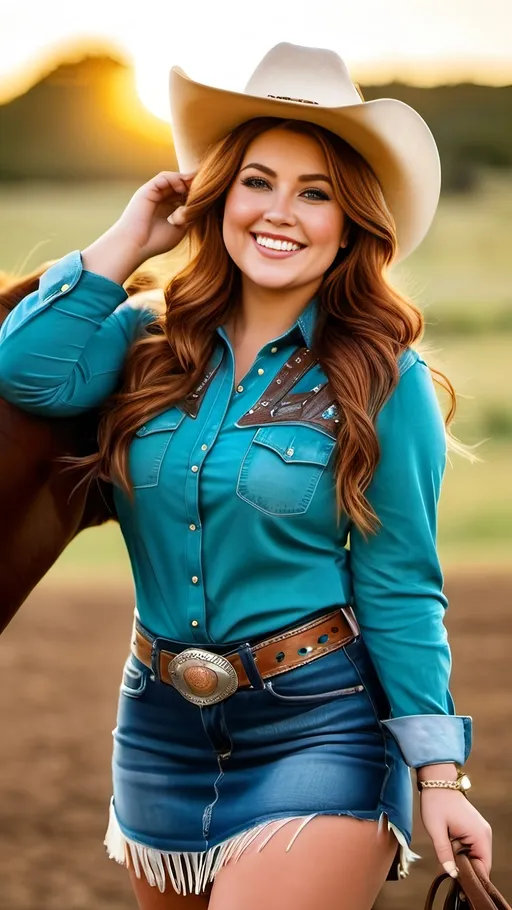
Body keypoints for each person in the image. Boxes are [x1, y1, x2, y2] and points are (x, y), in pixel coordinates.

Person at [0, 42, 492, 910]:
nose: (280, 213)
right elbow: (25, 371)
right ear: (216, 193)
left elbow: (402, 584)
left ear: (352, 222)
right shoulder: (143, 337)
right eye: (256, 181)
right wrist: (129, 238)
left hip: (320, 728)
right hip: (157, 731)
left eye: (316, 193)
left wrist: (440, 775)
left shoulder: (385, 378)